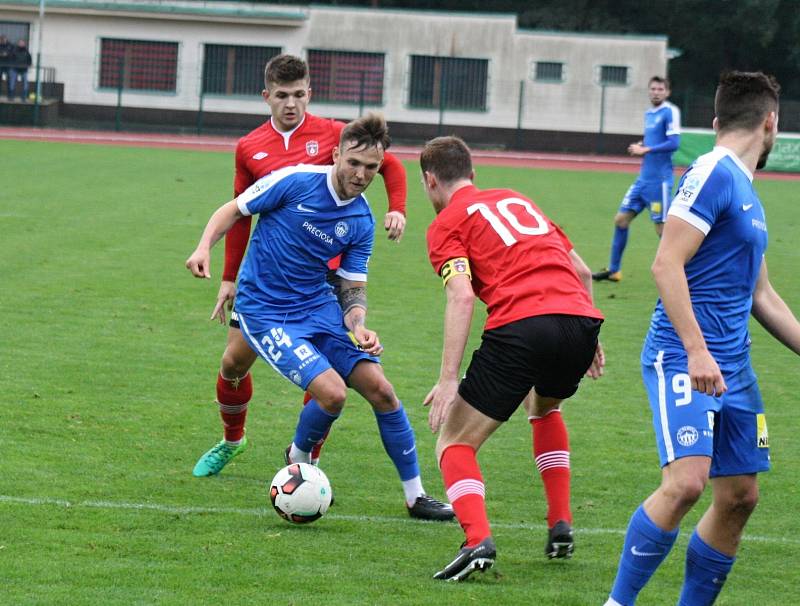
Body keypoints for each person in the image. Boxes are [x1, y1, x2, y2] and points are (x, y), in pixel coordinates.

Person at [186, 113, 454, 521]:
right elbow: (234, 210)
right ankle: (297, 455)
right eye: (354, 163)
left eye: (371, 167)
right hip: (265, 310)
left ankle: (415, 496)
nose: (361, 174)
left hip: (318, 309)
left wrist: (359, 325)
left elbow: (352, 288)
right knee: (332, 393)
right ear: (336, 154)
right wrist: (204, 247)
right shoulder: (294, 181)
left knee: (381, 390)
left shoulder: (361, 220)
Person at [603, 71, 800, 606]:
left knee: (739, 496)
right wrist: (696, 350)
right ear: (770, 123)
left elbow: (762, 296)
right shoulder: (713, 171)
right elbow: (666, 264)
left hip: (734, 367)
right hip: (685, 357)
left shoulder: (747, 192)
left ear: (716, 122)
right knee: (688, 483)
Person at [191, 54, 408, 478]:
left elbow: (391, 163)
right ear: (267, 96)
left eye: (299, 95)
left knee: (324, 375)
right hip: (269, 281)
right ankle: (233, 440)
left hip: (323, 280)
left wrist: (396, 208)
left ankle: (306, 461)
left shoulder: (333, 133)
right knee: (233, 365)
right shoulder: (250, 146)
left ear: (310, 93)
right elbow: (242, 213)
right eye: (282, 96)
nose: (291, 104)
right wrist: (229, 277)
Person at [420, 136, 605, 581]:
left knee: (454, 441)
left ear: (430, 181)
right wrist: (589, 337)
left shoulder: (447, 222)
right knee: (544, 407)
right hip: (580, 319)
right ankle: (560, 523)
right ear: (472, 174)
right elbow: (580, 271)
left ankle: (476, 539)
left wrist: (448, 380)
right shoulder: (517, 198)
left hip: (524, 324)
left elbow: (462, 297)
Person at [593, 76, 681, 282]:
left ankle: (685, 272)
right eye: (653, 88)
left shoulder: (670, 111)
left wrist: (646, 148)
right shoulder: (649, 114)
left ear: (667, 92)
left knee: (663, 230)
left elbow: (674, 142)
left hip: (659, 182)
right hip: (643, 181)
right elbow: (656, 139)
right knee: (621, 220)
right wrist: (644, 143)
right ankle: (614, 270)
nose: (656, 92)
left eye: (660, 89)